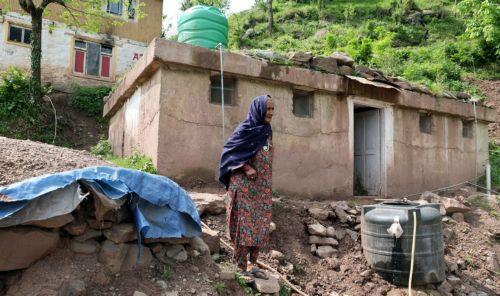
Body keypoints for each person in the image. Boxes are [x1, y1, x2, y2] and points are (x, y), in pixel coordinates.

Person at [218, 94, 275, 280]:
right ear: (259, 109)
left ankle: (253, 264)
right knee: (244, 226)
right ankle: (240, 267)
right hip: (243, 187)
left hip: (261, 188)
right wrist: (246, 167)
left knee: (260, 225)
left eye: (273, 109)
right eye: (268, 109)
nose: (270, 113)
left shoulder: (267, 131)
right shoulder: (245, 129)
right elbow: (230, 153)